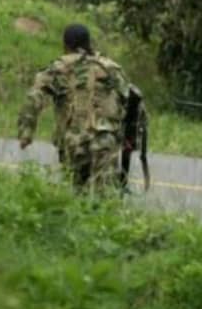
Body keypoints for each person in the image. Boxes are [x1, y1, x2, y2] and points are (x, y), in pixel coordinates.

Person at [17, 24, 131, 194]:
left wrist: (26, 132)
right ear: (89, 43)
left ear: (66, 45)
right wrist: (128, 137)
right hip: (105, 141)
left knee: (76, 194)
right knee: (105, 198)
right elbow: (129, 99)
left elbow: (34, 98)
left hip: (74, 141)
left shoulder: (59, 68)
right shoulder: (110, 68)